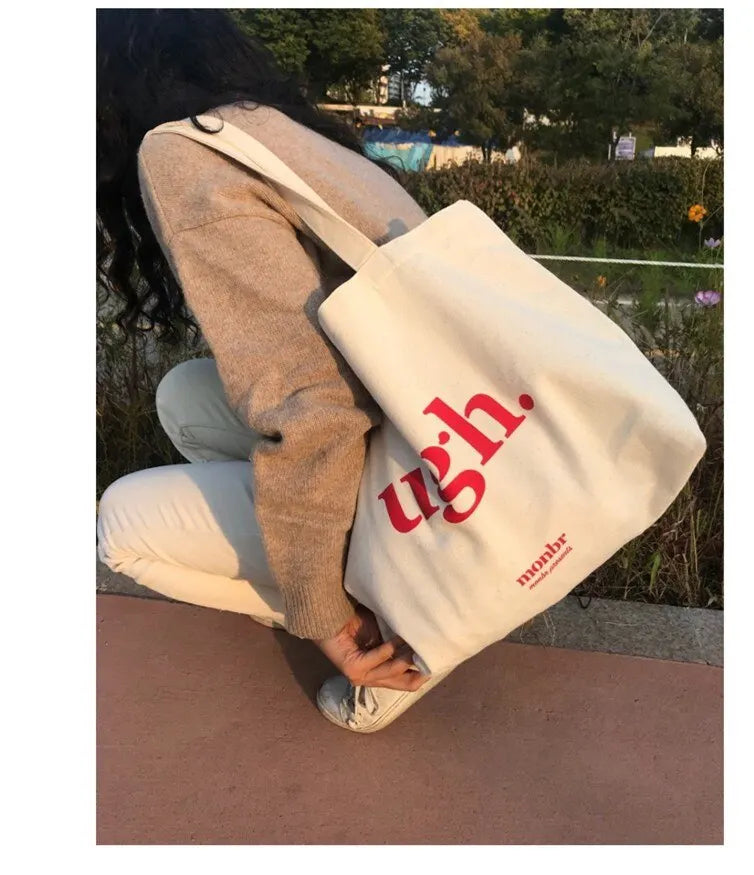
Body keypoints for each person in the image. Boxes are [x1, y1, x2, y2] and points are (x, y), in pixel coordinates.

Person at [96, 9, 451, 733]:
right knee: (184, 396)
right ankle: (335, 568)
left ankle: (382, 628)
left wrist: (317, 611)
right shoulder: (267, 128)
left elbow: (314, 401)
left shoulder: (177, 153)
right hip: (448, 428)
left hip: (415, 479)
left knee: (117, 526)